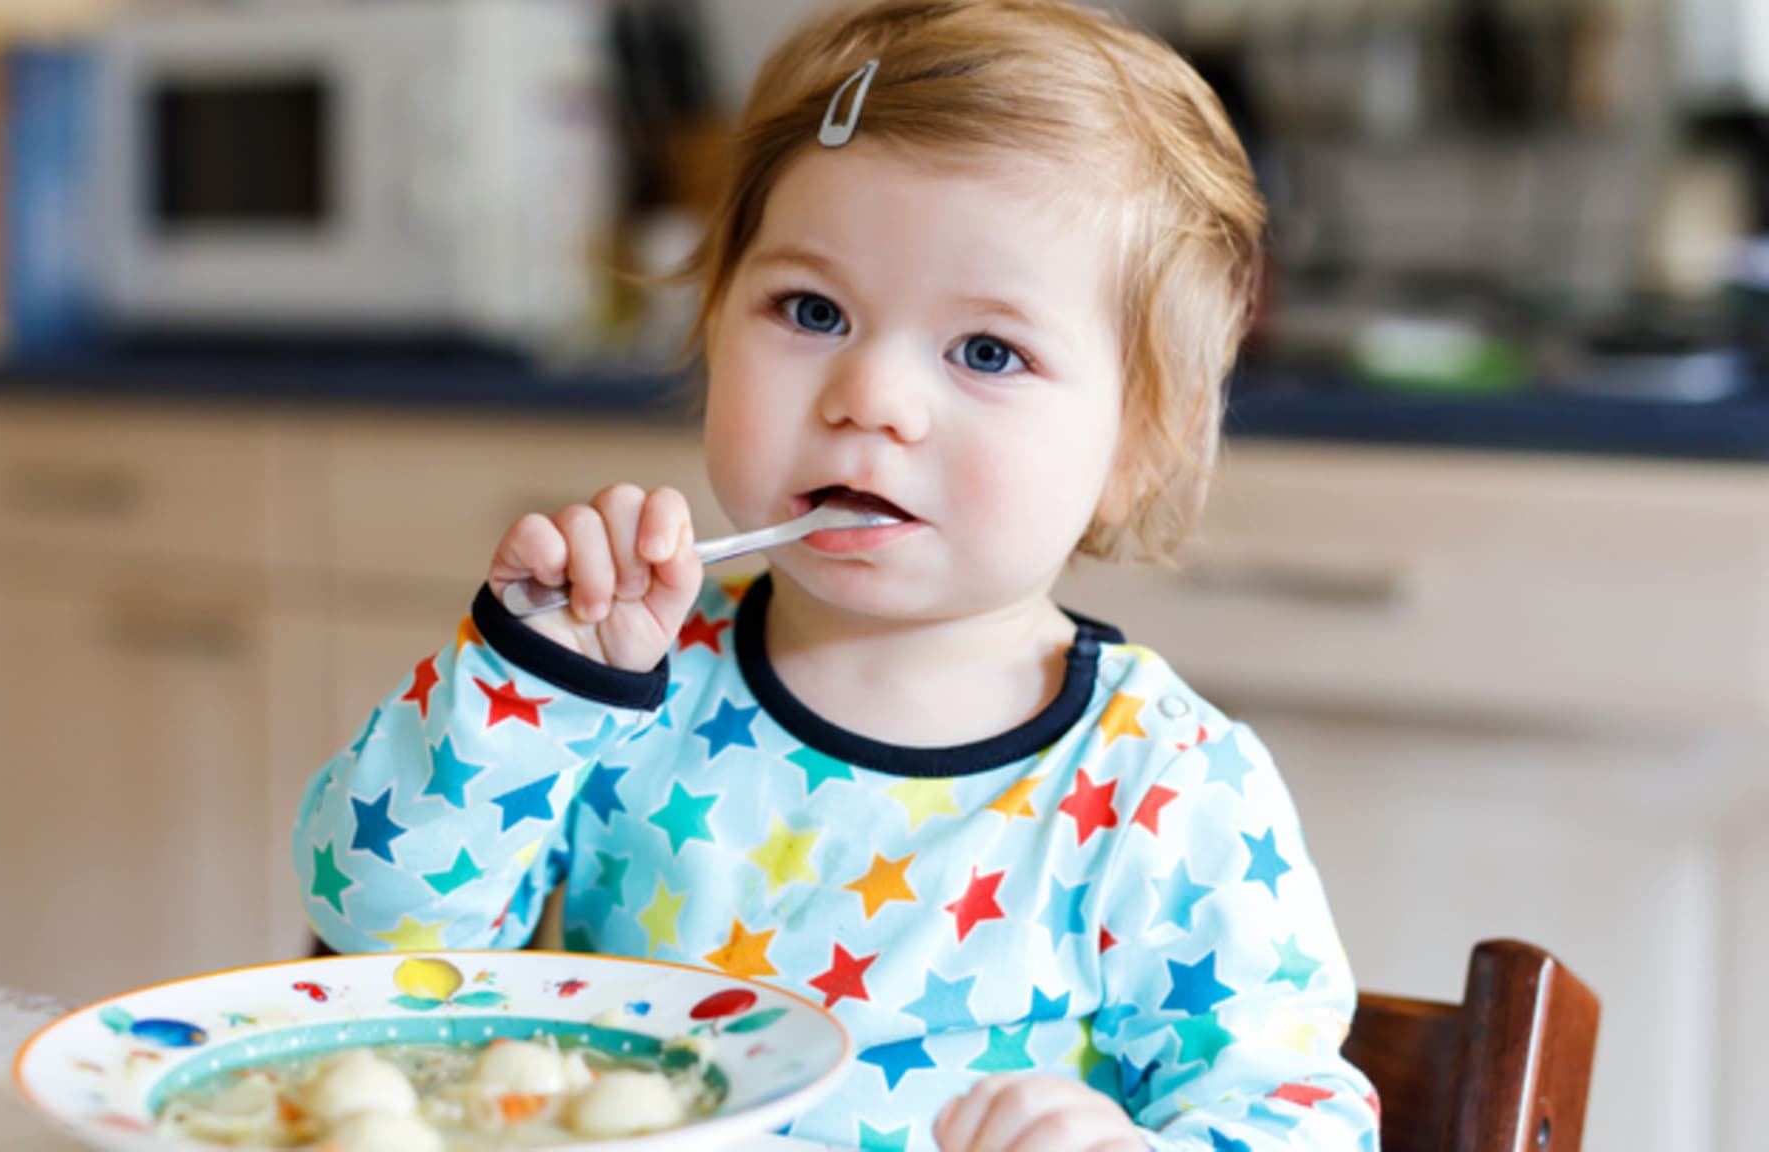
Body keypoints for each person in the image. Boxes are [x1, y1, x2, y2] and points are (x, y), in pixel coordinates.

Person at [295, 2, 1377, 1148]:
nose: (869, 397)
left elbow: (1291, 1116)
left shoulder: (1163, 785)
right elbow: (378, 941)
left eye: (986, 351)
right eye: (811, 311)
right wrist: (527, 684)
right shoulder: (621, 684)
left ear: (1131, 451)